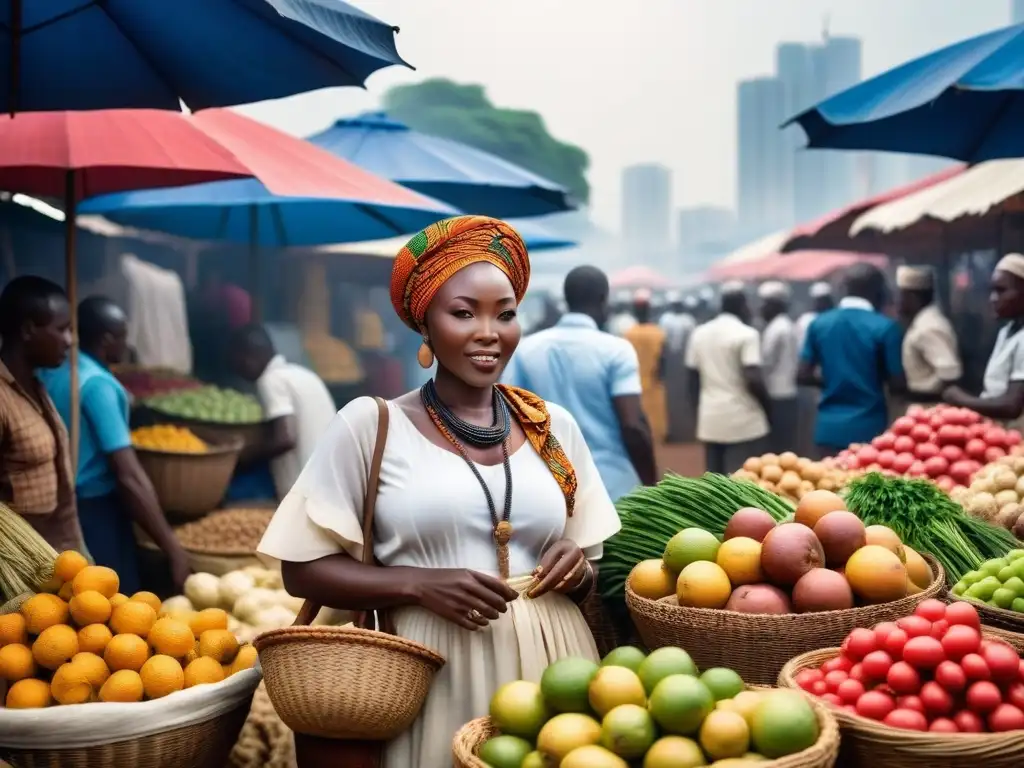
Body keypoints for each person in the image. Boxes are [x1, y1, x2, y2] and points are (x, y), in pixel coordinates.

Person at [257, 216, 620, 768]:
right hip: (434, 667)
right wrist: (418, 584)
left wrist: (579, 569)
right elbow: (300, 570)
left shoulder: (553, 427)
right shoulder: (371, 425)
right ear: (425, 323)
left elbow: (590, 561)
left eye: (505, 313)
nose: (488, 332)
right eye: (463, 313)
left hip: (558, 667)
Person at [41, 297, 191, 592]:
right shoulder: (98, 385)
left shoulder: (54, 370)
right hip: (94, 511)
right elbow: (129, 476)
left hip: (57, 501)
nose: (128, 341)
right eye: (123, 334)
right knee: (108, 601)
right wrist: (173, 549)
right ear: (107, 339)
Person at [504, 265, 656, 501]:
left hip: (548, 484)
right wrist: (651, 483)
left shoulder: (526, 350)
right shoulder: (616, 350)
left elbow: (512, 416)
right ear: (603, 299)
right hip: (611, 486)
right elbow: (632, 427)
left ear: (567, 298)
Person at [0, 277, 83, 553]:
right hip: (17, 563)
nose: (70, 341)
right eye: (62, 330)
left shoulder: (37, 387)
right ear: (27, 330)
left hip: (56, 550)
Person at [798, 263, 906, 457]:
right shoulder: (885, 328)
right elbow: (897, 384)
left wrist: (833, 380)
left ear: (844, 288)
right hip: (870, 431)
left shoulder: (818, 324)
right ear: (879, 291)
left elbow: (802, 375)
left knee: (827, 485)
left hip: (828, 429)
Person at [229, 324, 338, 500]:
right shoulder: (304, 375)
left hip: (302, 496)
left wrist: (240, 458)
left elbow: (285, 438)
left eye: (236, 361)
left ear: (248, 357)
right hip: (330, 487)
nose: (237, 370)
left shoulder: (271, 380)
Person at [686, 282, 771, 474]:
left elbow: (692, 379)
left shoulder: (699, 333)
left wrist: (697, 411)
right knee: (745, 481)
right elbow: (753, 378)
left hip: (710, 417)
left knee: (716, 482)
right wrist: (768, 408)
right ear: (742, 306)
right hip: (744, 419)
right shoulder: (747, 334)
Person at [944, 253, 1024, 422]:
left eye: (1001, 291)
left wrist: (961, 399)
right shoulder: (1007, 331)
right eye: (992, 290)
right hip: (996, 431)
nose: (993, 298)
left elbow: (1012, 406)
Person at [894, 266, 962, 404]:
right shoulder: (922, 322)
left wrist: (924, 394)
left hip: (930, 405)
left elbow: (950, 374)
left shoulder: (929, 327)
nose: (898, 301)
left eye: (901, 295)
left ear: (912, 297)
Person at [758, 282, 800, 454]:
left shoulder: (776, 328)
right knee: (786, 442)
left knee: (778, 446)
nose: (761, 308)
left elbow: (765, 363)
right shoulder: (787, 324)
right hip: (788, 391)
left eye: (765, 304)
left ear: (775, 305)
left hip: (776, 393)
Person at [624, 290, 668, 444]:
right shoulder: (658, 333)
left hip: (634, 383)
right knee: (656, 421)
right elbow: (663, 362)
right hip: (654, 382)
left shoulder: (628, 334)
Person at [796, 282, 834, 353]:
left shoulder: (835, 319)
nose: (822, 303)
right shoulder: (805, 320)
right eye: (820, 300)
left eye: (825, 300)